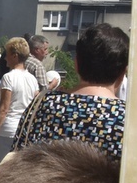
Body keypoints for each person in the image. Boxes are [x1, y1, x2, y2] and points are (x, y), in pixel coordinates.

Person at [12, 23, 128, 161]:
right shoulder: (127, 120)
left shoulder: (42, 105)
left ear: (76, 64)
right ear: (123, 73)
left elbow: (18, 158)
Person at [0, 37, 38, 169]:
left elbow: (4, 109)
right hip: (23, 130)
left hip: (7, 130)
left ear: (14, 56)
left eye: (7, 55)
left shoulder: (8, 77)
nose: (4, 58)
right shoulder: (32, 79)